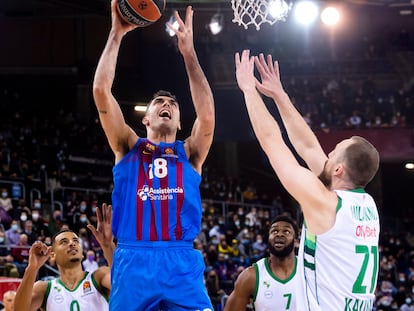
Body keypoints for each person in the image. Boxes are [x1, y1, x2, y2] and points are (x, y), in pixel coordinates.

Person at [92, 0, 215, 309]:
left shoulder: (191, 152)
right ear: (145, 118)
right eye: (159, 102)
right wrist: (116, 34)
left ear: (178, 121)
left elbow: (209, 116)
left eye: (172, 105)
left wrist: (189, 54)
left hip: (180, 260)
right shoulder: (126, 145)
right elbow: (101, 92)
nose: (167, 104)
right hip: (134, 258)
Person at [235, 50, 380, 310]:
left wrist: (248, 90)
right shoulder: (366, 204)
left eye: (335, 151)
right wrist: (280, 96)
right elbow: (309, 147)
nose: (329, 153)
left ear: (338, 171)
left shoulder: (325, 204)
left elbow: (272, 143)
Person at [15, 203, 114, 311]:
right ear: (52, 253)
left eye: (76, 241)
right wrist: (32, 268)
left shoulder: (98, 277)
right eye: (64, 242)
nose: (72, 243)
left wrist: (108, 246)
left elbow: (125, 284)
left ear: (81, 252)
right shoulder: (44, 289)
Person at [224, 215, 299, 311]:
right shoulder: (251, 276)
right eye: (274, 231)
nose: (279, 234)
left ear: (295, 240)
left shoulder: (308, 271)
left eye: (286, 231)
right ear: (268, 238)